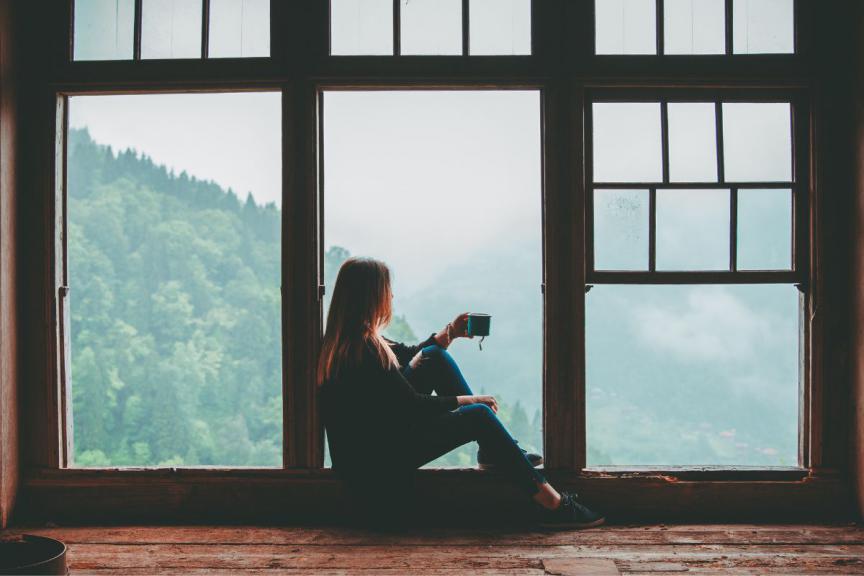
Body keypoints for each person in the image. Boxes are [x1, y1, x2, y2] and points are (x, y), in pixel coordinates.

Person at [317, 256, 604, 528]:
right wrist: (471, 400)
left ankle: (493, 452)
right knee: (478, 415)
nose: (391, 297)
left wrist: (450, 333)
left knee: (433, 356)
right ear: (372, 297)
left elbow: (407, 357)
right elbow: (411, 406)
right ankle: (552, 504)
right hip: (373, 466)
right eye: (387, 290)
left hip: (373, 446)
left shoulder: (351, 339)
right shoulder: (364, 349)